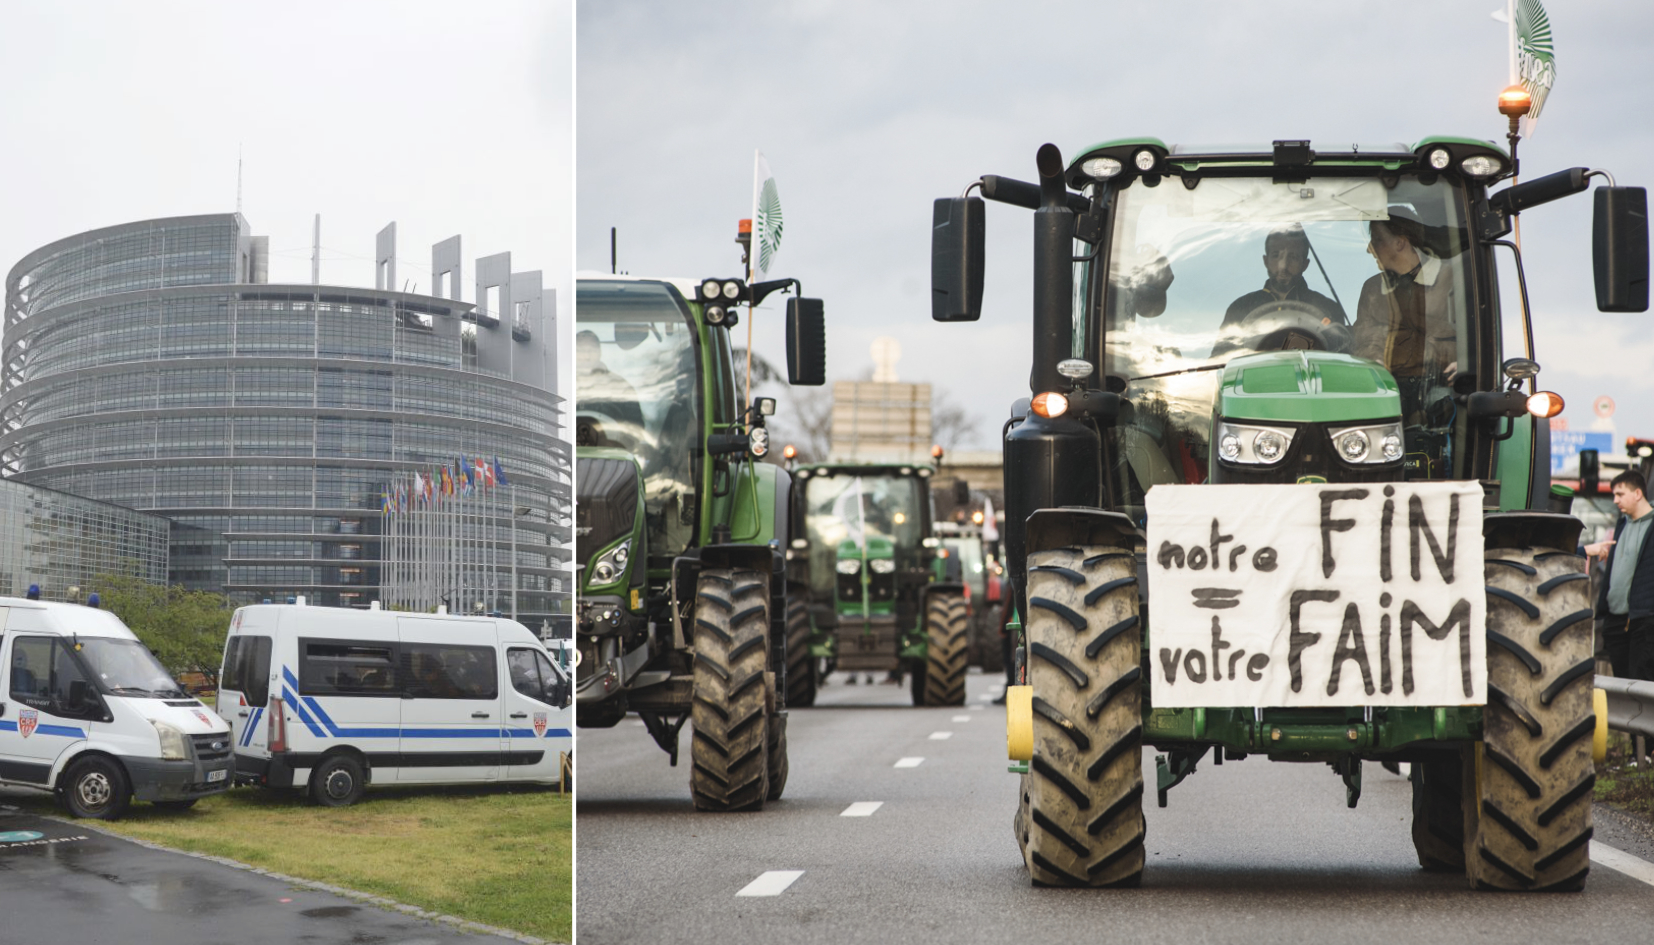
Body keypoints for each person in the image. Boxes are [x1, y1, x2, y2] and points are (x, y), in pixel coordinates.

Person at [1350, 212, 1459, 424]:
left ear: (1400, 242)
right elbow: (1365, 338)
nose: (1369, 248)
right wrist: (1375, 360)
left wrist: (1464, 361)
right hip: (1387, 388)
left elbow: (1476, 335)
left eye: (1378, 240)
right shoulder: (1372, 289)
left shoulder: (1452, 280)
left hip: (1441, 387)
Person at [1215, 226, 1345, 354]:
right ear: (1266, 261)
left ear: (1305, 264)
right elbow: (1218, 364)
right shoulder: (1240, 308)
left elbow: (1341, 364)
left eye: (1293, 257)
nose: (1283, 265)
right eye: (1276, 256)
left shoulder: (1328, 308)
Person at [1584, 470, 1654, 680]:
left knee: (1641, 682)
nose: (1615, 500)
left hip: (1643, 621)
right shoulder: (1621, 525)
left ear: (1638, 493)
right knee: (1622, 684)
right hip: (1616, 622)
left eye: (1620, 494)